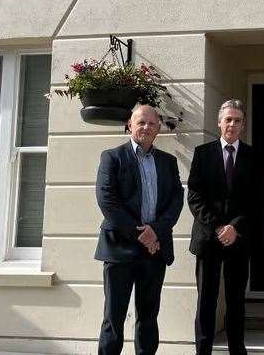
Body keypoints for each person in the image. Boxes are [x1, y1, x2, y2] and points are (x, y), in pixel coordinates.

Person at [95, 105, 185, 355]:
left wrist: (155, 232)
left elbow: (176, 200)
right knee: (114, 317)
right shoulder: (112, 157)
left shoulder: (168, 162)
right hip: (120, 250)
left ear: (158, 128)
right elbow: (107, 202)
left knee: (148, 316)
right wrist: (143, 235)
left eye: (152, 124)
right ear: (129, 125)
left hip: (154, 252)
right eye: (141, 122)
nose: (146, 127)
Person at [188, 99, 255, 355]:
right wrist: (218, 227)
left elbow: (256, 199)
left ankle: (237, 349)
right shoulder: (203, 154)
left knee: (236, 301)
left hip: (239, 240)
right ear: (219, 122)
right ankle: (202, 350)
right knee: (206, 300)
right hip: (208, 238)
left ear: (243, 124)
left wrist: (234, 228)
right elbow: (194, 196)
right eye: (228, 119)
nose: (232, 124)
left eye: (237, 120)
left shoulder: (252, 155)